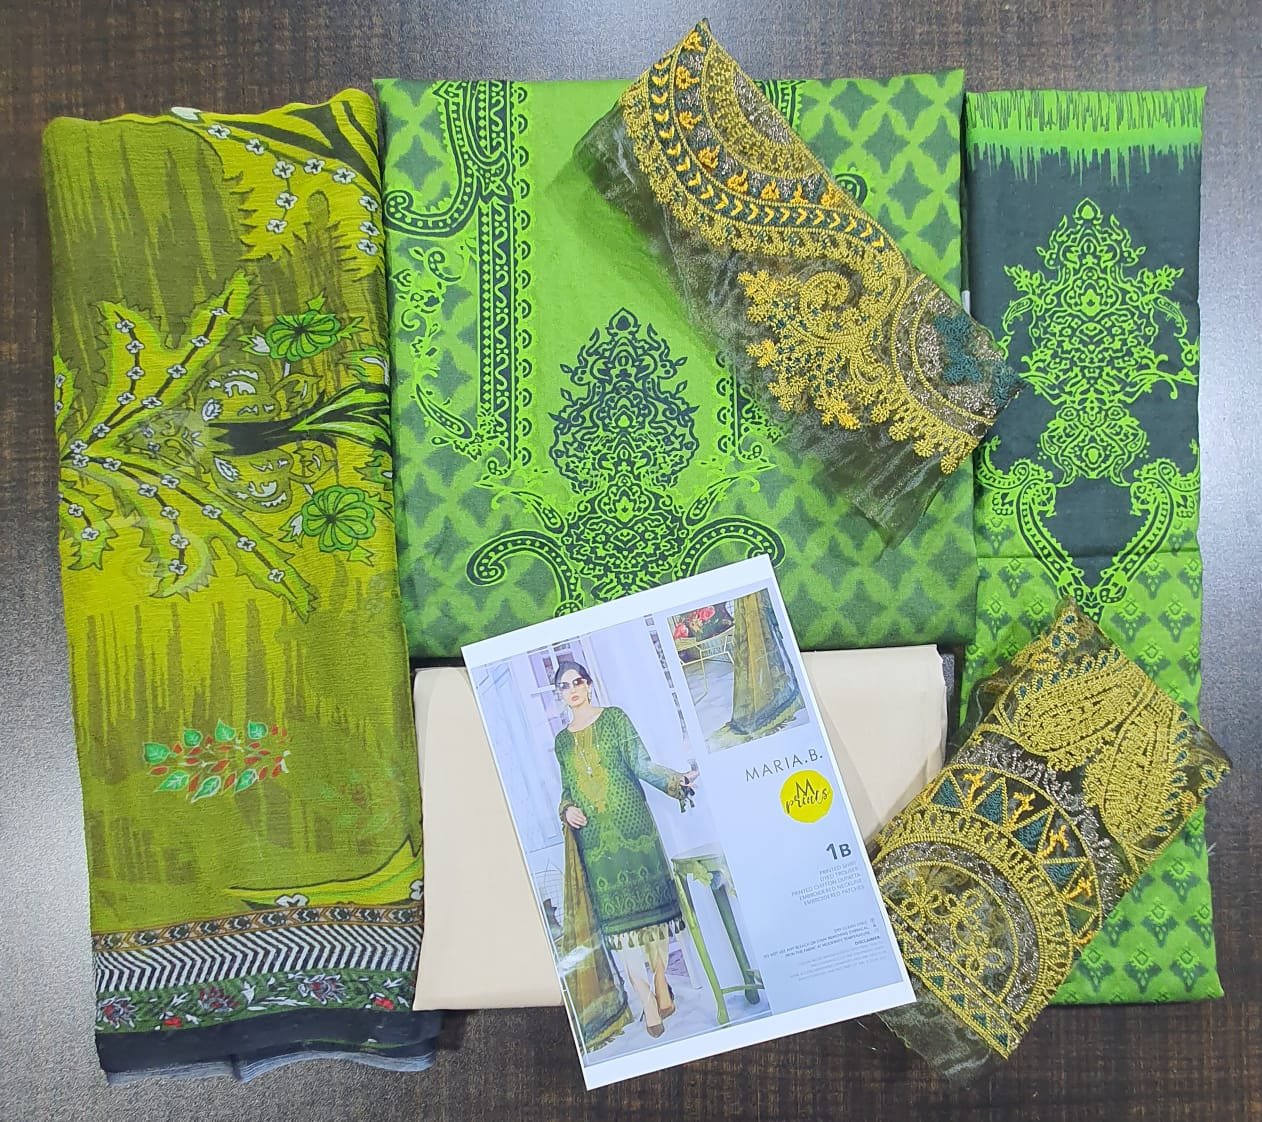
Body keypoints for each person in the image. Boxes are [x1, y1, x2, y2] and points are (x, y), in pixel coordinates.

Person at [553, 660, 699, 1040]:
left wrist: (677, 781)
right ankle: (646, 999)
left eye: (578, 681)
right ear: (560, 694)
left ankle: (661, 981)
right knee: (619, 927)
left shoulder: (615, 718)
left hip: (635, 831)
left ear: (588, 684)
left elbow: (640, 763)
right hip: (597, 844)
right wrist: (566, 809)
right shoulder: (562, 742)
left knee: (652, 918)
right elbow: (567, 788)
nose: (573, 689)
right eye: (565, 685)